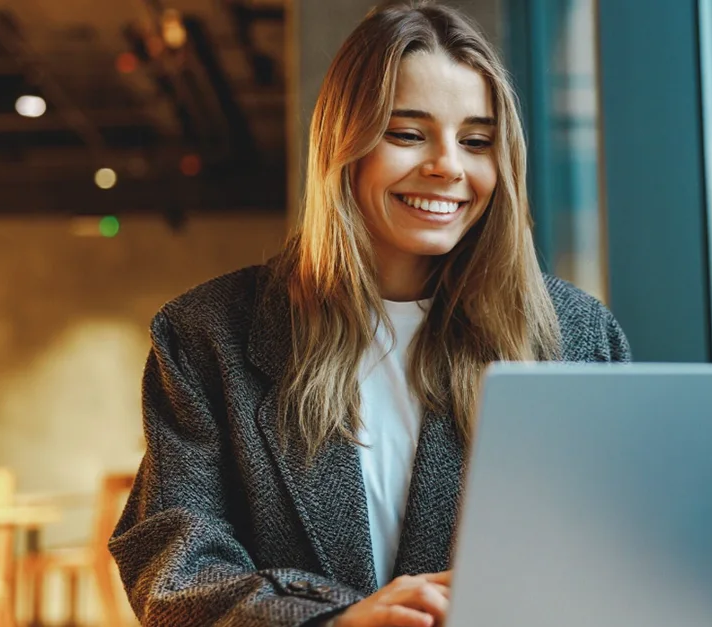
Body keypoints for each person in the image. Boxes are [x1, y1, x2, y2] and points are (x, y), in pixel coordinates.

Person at [108, 2, 631, 626]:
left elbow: (620, 550)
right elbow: (172, 565)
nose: (448, 166)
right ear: (344, 148)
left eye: (476, 141)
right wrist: (336, 620)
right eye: (408, 134)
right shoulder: (207, 336)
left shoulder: (577, 336)